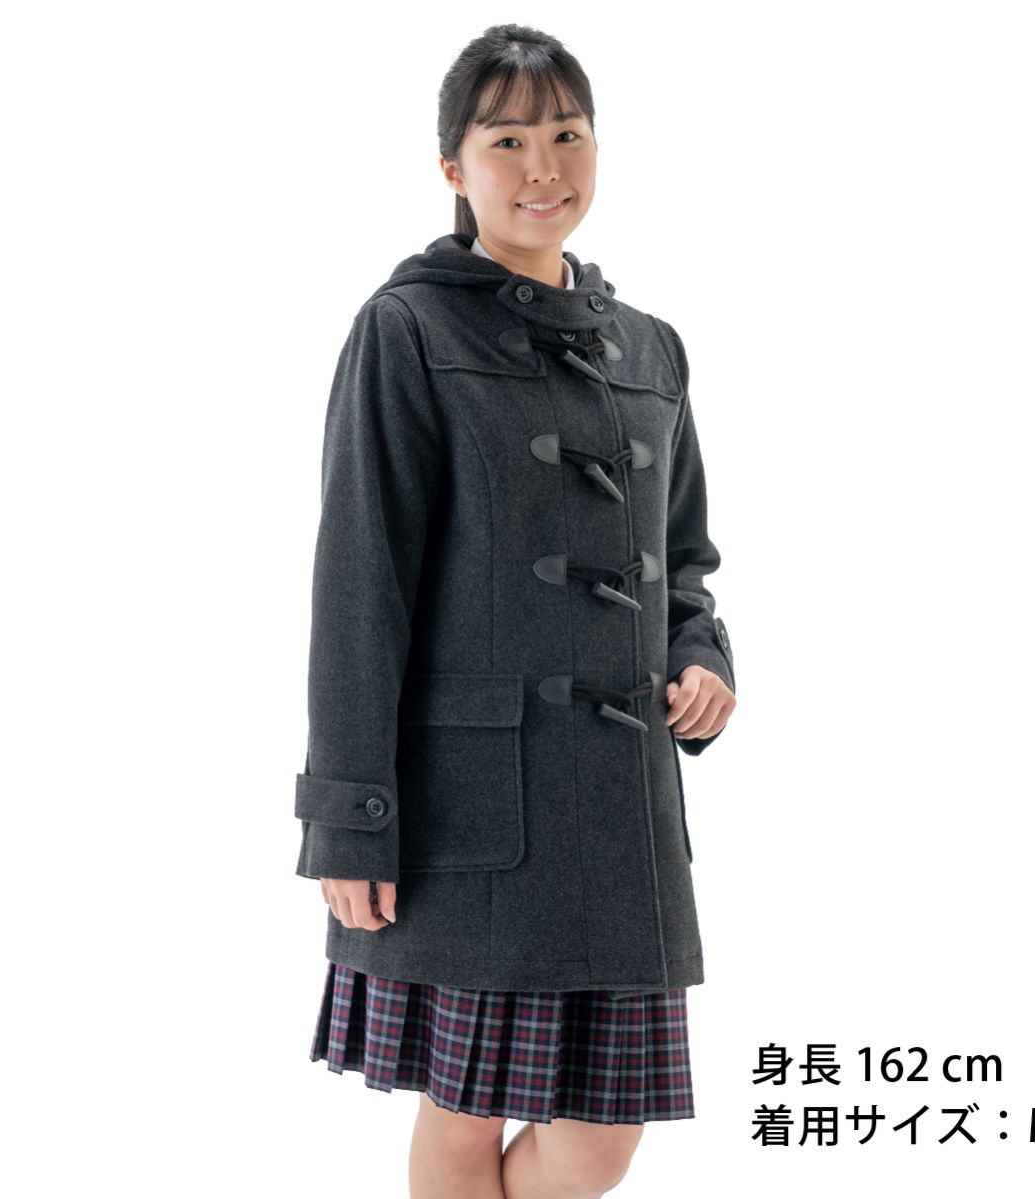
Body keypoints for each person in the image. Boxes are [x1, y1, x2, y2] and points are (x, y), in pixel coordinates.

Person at [294, 23, 737, 1198]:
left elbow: (685, 558)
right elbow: (359, 583)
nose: (545, 167)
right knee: (465, 1106)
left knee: (601, 1138)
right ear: (454, 166)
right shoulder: (408, 329)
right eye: (508, 141)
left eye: (567, 134)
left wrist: (701, 654)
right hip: (469, 806)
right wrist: (350, 817)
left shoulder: (651, 349)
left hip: (625, 818)